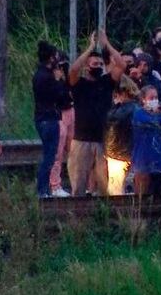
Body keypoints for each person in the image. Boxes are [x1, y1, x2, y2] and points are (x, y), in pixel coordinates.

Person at [67, 30, 126, 196]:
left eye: (100, 65)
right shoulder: (80, 85)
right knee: (78, 185)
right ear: (87, 66)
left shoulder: (106, 83)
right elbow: (73, 70)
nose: (98, 67)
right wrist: (90, 48)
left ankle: (101, 217)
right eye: (95, 64)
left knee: (103, 187)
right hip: (81, 140)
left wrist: (106, 44)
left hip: (102, 140)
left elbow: (121, 65)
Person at [132, 85, 161, 196]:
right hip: (145, 167)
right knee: (144, 201)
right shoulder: (139, 115)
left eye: (156, 97)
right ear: (143, 100)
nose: (155, 100)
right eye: (151, 98)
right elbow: (154, 121)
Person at [32, 41, 65, 197]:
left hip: (41, 118)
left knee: (48, 154)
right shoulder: (48, 77)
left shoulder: (38, 75)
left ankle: (43, 189)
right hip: (49, 118)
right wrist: (58, 81)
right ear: (51, 58)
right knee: (49, 156)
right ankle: (42, 190)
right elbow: (58, 96)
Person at [104, 76, 140, 195]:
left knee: (115, 191)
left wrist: (114, 106)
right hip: (133, 154)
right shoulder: (138, 107)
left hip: (118, 153)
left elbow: (109, 120)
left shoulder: (121, 109)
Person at [49, 51, 74, 197]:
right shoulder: (50, 79)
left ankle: (76, 182)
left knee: (74, 151)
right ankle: (54, 185)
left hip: (70, 110)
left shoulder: (67, 78)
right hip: (58, 114)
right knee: (57, 153)